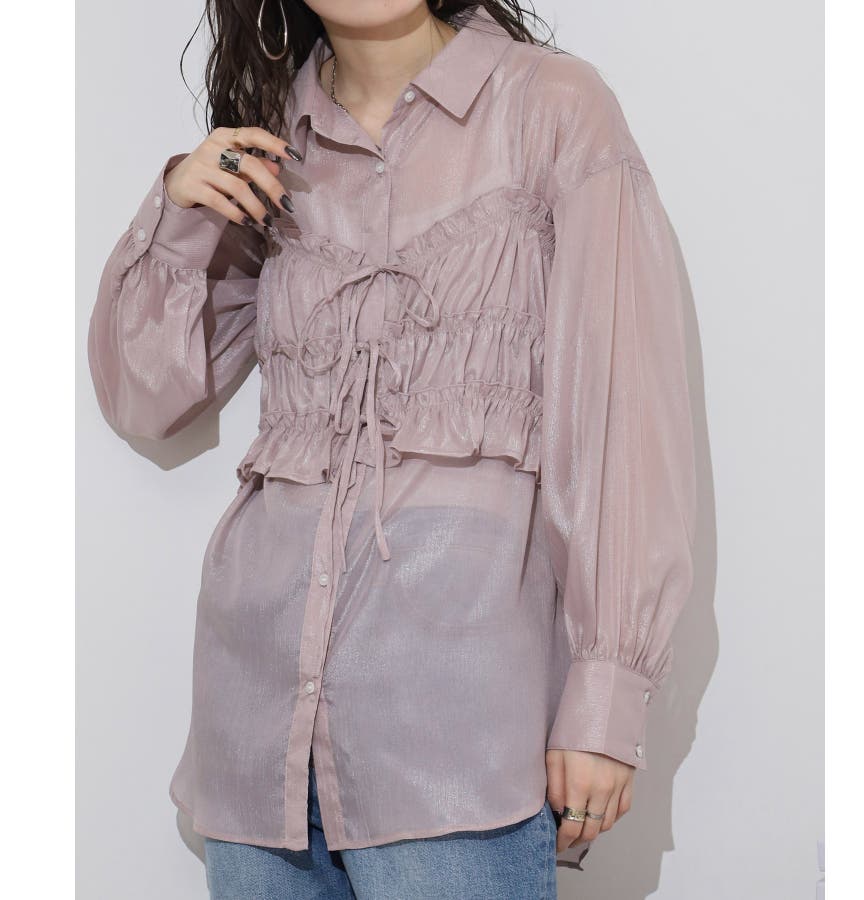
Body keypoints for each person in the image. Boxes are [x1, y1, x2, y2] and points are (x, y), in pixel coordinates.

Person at [87, 1, 697, 897]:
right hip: (256, 740)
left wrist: (609, 692)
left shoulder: (553, 107)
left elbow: (624, 409)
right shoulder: (271, 148)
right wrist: (179, 209)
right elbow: (148, 396)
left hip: (456, 746)